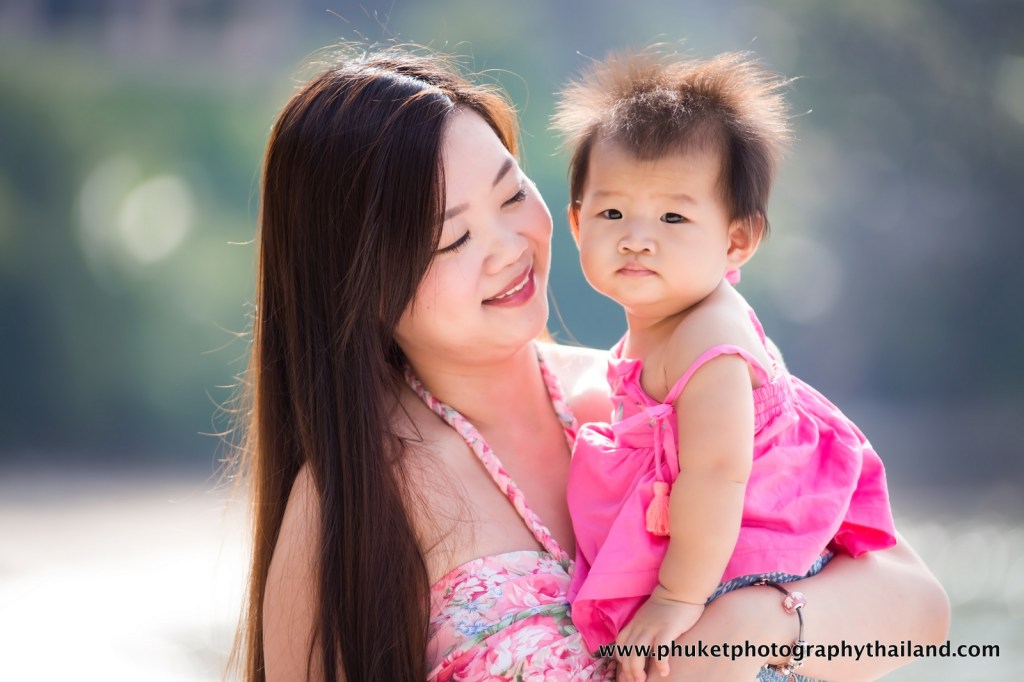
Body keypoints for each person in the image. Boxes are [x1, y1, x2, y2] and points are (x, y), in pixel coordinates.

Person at [228, 44, 949, 682]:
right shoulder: (357, 495)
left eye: (513, 193)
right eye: (453, 240)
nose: (510, 246)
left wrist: (759, 625)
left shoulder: (663, 386)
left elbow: (917, 604)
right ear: (357, 282)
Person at [551, 48, 907, 681]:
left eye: (673, 216)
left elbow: (717, 476)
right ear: (577, 223)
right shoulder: (656, 330)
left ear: (737, 239)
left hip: (748, 567)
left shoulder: (711, 341)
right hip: (714, 568)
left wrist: (674, 600)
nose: (637, 236)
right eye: (612, 213)